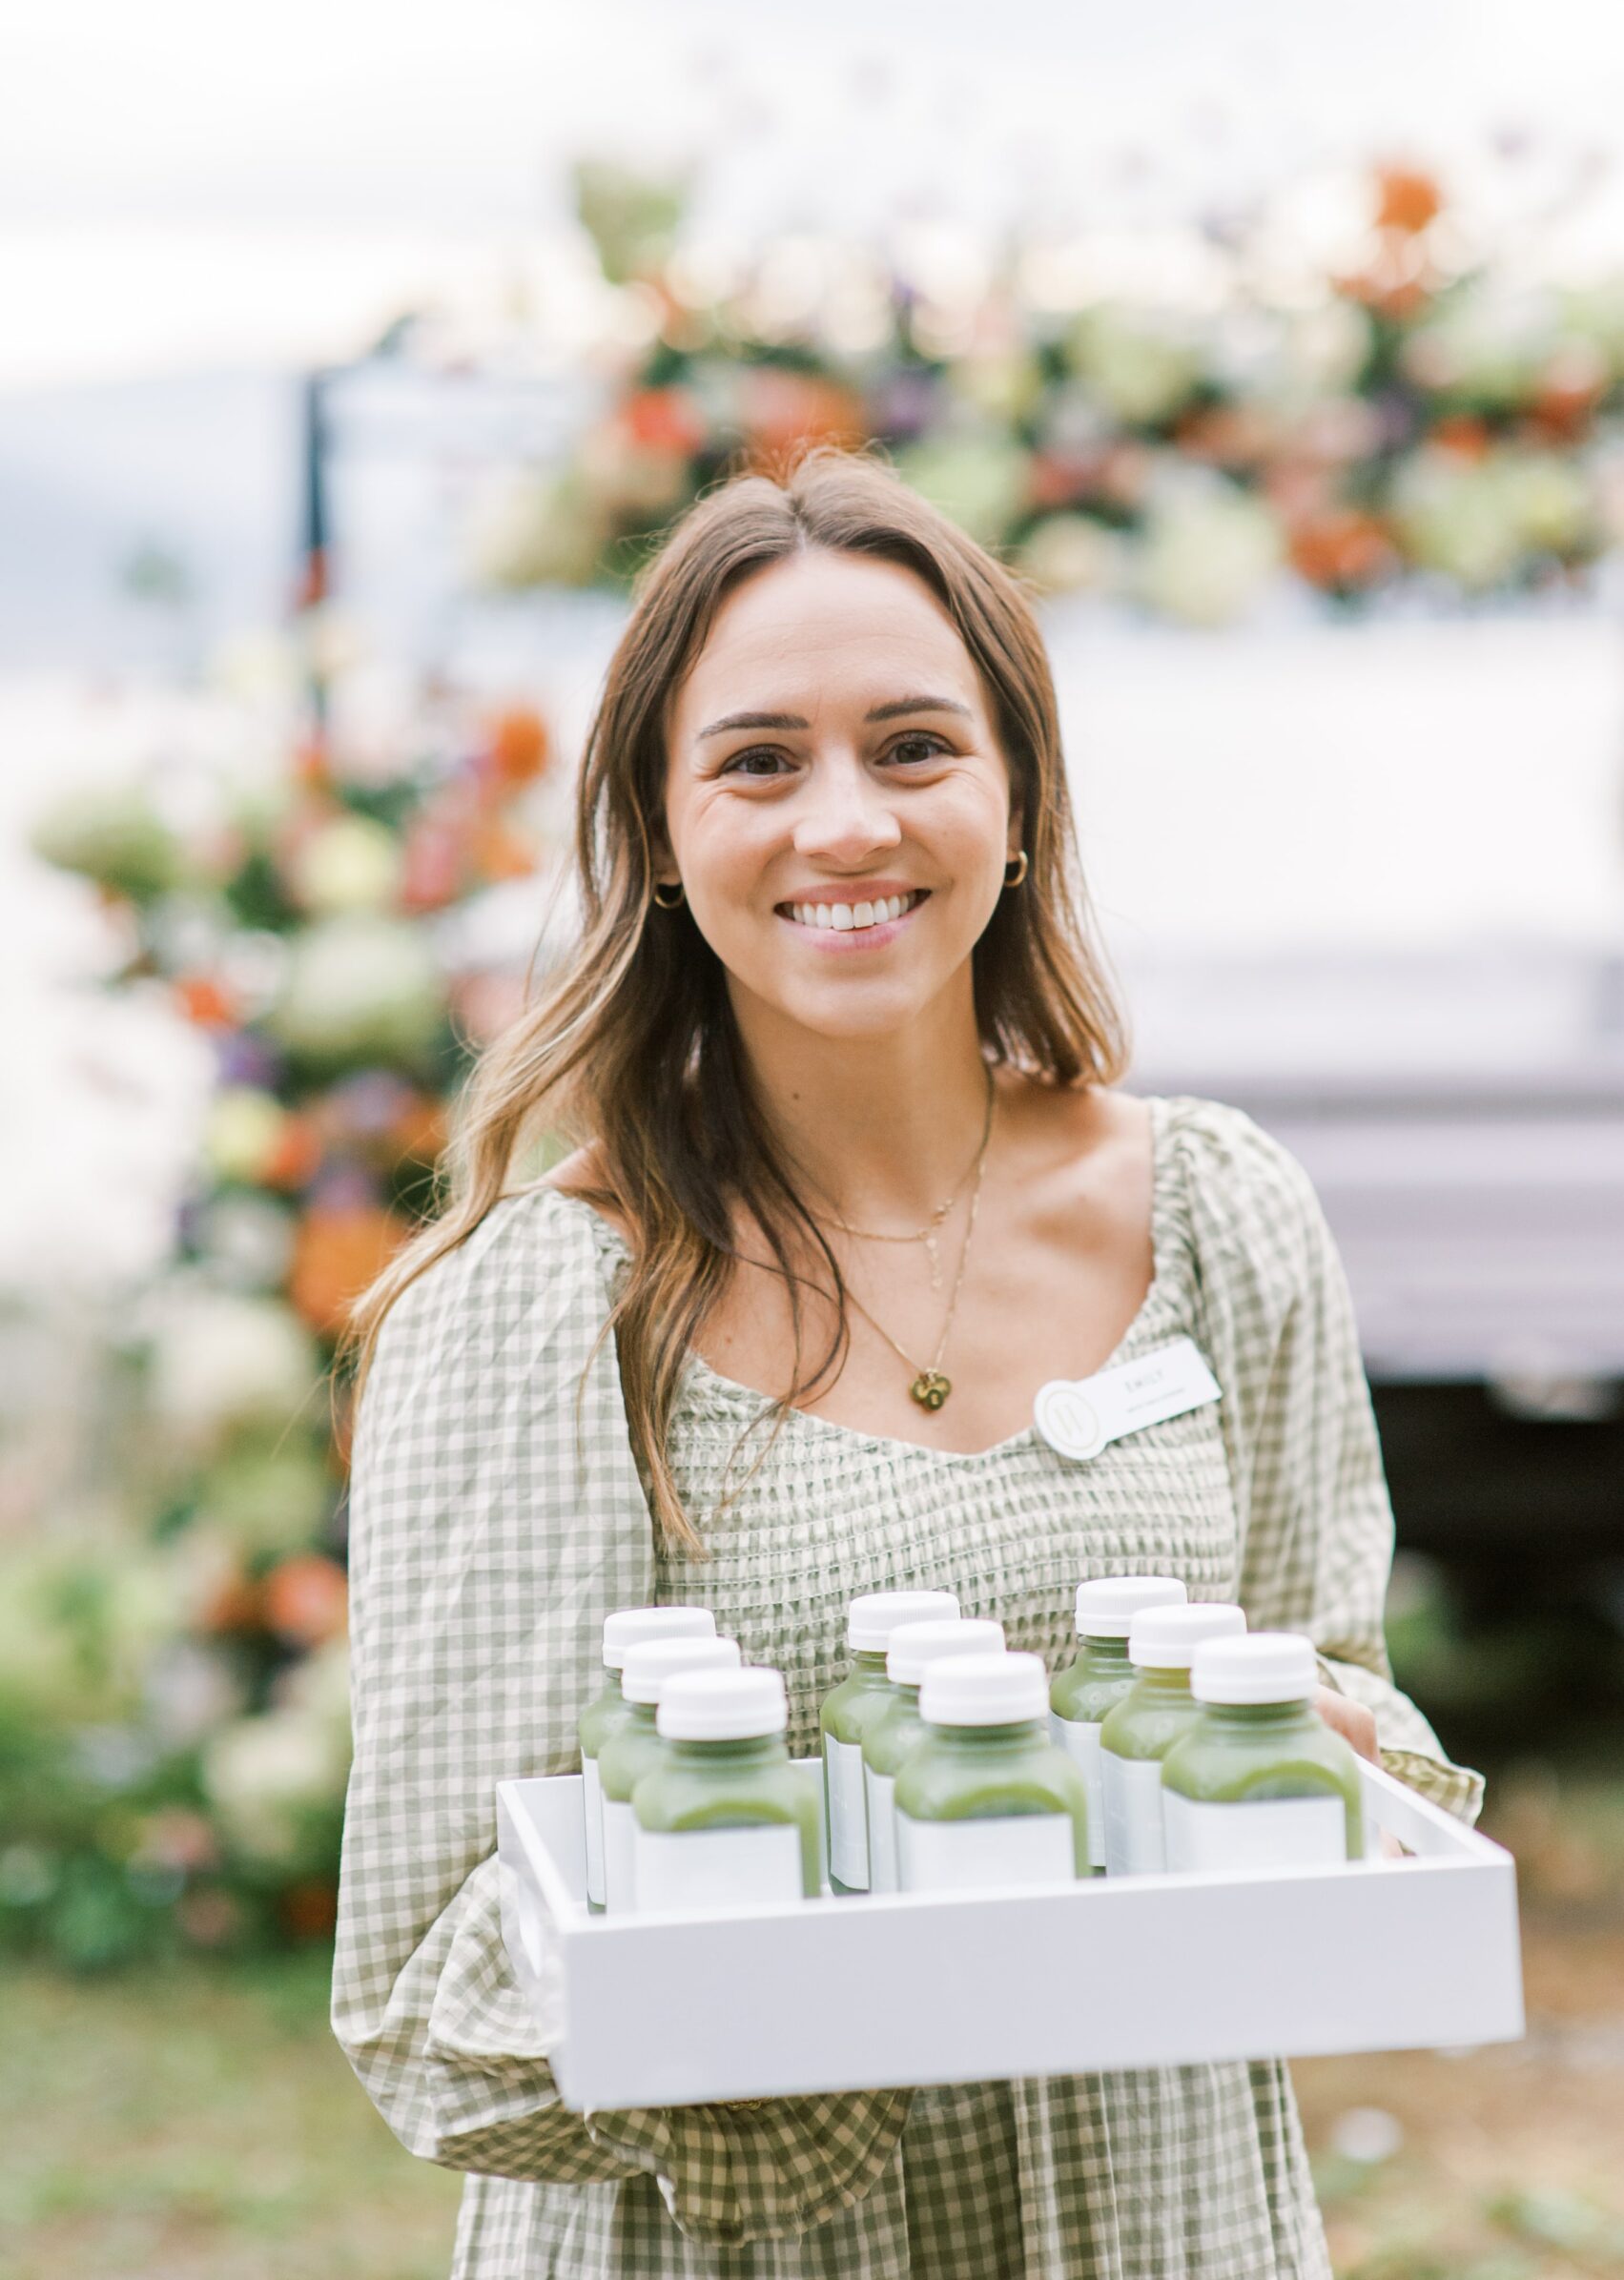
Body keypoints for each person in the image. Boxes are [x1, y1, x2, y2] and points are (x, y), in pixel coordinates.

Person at [332, 446, 1482, 2279]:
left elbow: (1337, 1680)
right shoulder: (542, 1306)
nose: (847, 824)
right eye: (761, 760)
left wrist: (1347, 1764)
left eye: (917, 746)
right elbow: (423, 1999)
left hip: (1162, 2219)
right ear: (658, 830)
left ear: (1020, 797)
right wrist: (810, 1981)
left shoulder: (1219, 1209)